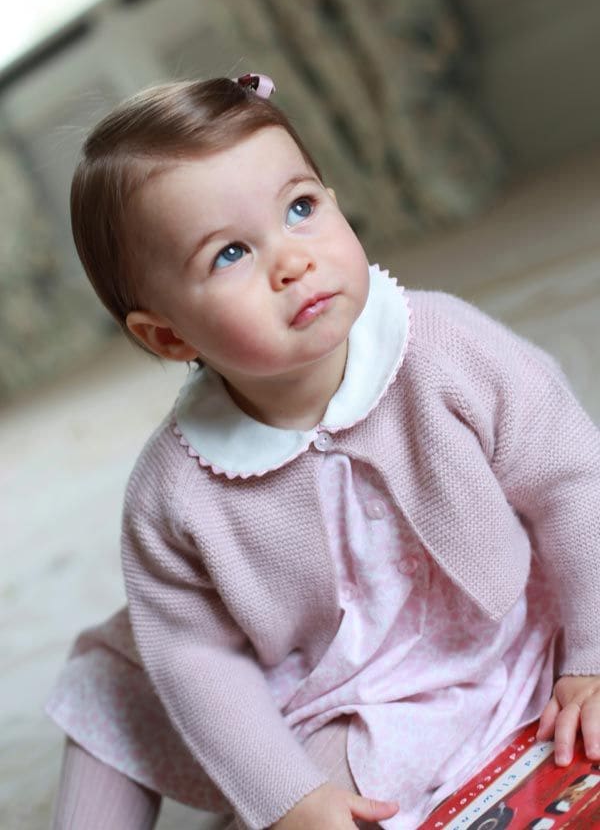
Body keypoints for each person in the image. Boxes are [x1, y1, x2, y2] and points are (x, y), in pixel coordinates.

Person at [46, 73, 600, 830]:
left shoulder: (442, 346)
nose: (292, 260)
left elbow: (572, 478)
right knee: (114, 687)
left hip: (501, 625)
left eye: (301, 208)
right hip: (331, 690)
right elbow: (197, 665)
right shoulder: (174, 492)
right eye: (231, 254)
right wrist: (287, 798)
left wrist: (591, 656)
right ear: (170, 336)